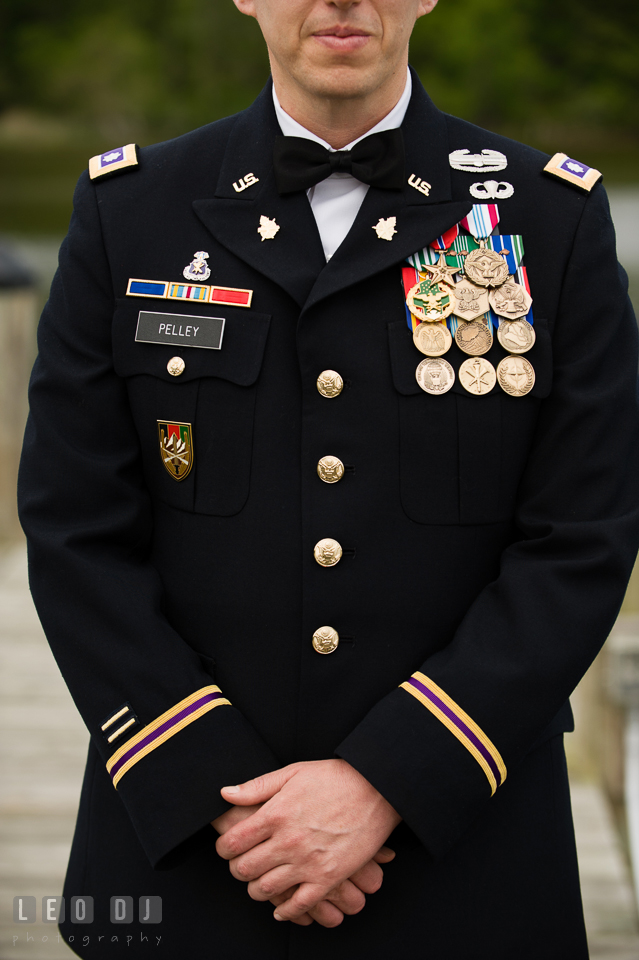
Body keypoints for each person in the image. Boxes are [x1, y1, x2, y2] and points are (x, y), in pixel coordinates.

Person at [17, 0, 639, 957]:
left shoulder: (547, 217)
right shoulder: (130, 211)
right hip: (192, 842)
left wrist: (390, 776)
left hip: (467, 850)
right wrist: (216, 791)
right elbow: (73, 530)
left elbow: (585, 533)